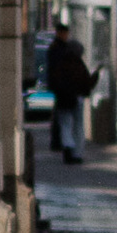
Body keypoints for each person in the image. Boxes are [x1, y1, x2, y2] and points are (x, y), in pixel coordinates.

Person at [44, 23, 93, 164]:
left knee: (65, 123)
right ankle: (76, 152)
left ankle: (68, 147)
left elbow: (54, 75)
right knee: (76, 124)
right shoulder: (77, 63)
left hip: (64, 96)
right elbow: (86, 81)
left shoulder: (59, 54)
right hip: (73, 96)